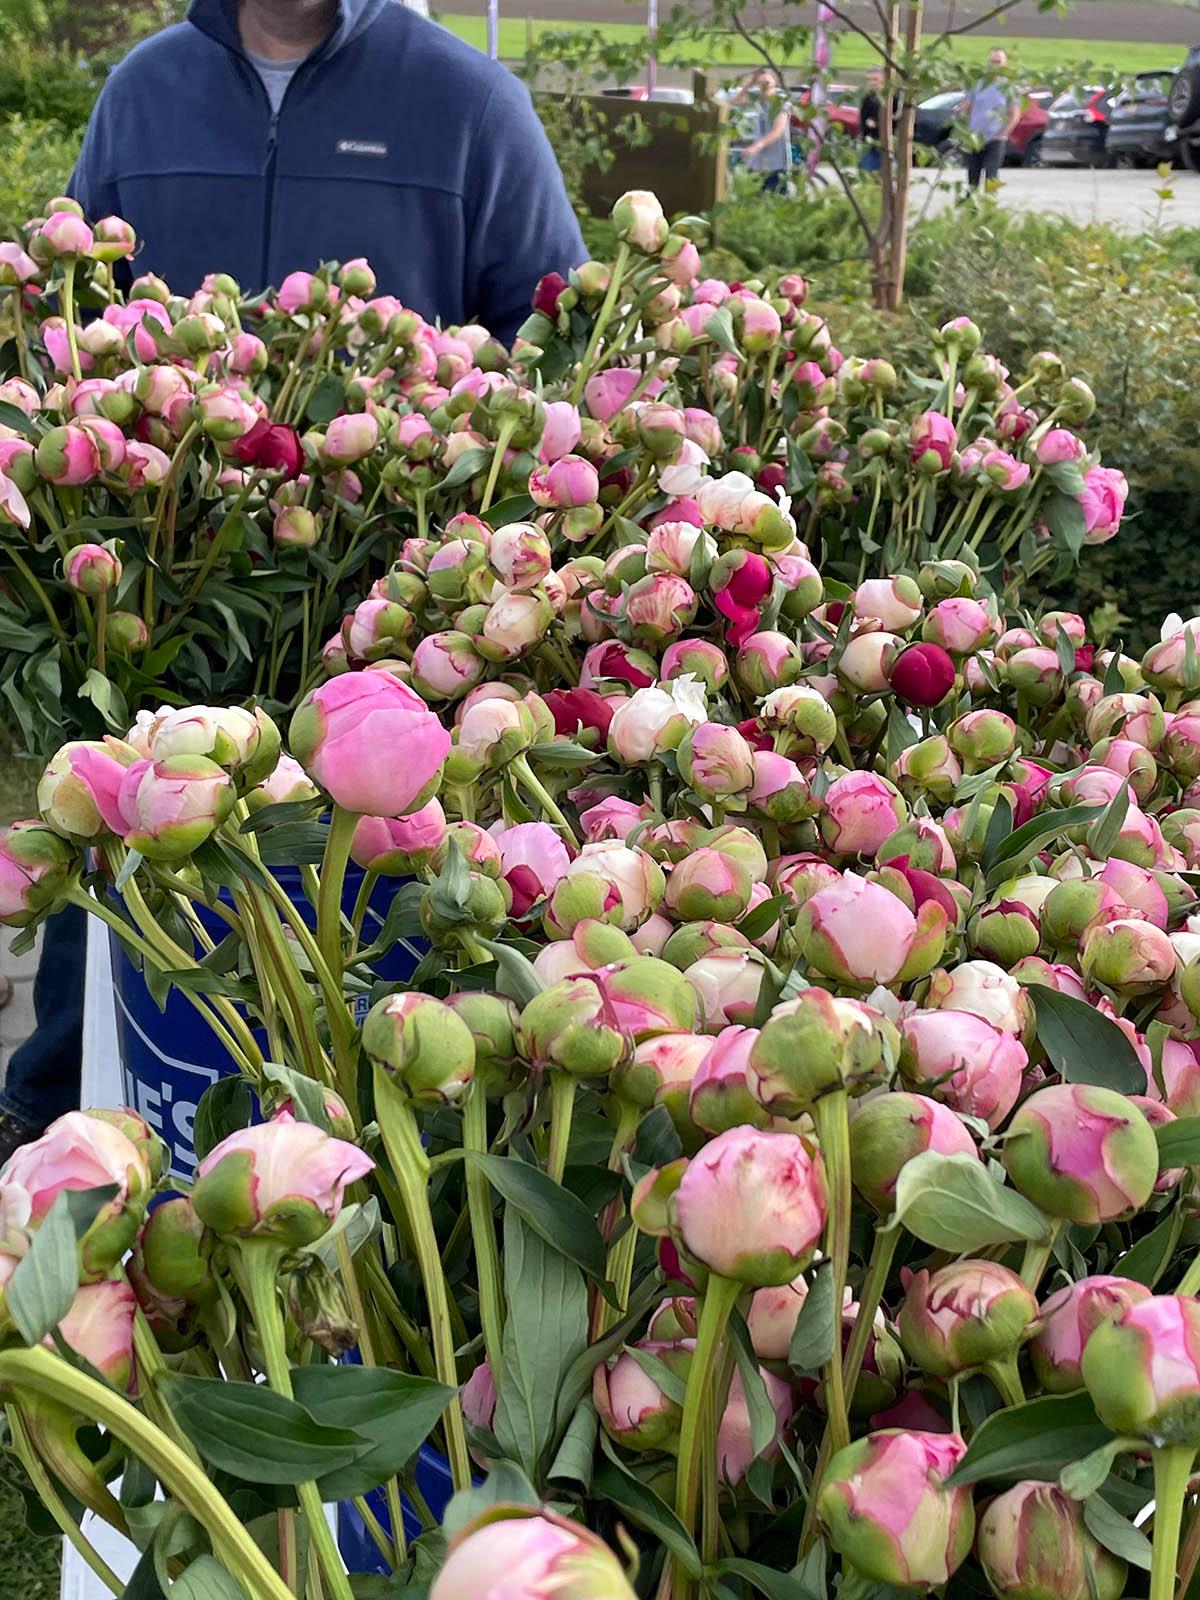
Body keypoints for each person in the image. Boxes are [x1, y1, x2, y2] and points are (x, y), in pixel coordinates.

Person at [0, 0, 586, 1166]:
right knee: (116, 843)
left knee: (339, 902)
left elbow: (557, 344)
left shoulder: (468, 102)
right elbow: (77, 321)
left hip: (362, 613)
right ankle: (59, 1097)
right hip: (166, 585)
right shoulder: (146, 88)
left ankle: (331, 1156)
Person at [69, 0, 585, 343]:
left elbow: (554, 326)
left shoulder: (472, 103)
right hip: (163, 498)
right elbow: (76, 307)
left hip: (389, 500)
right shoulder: (141, 93)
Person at [963, 47, 1020, 189]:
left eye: (998, 61)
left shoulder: (1009, 87)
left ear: (1004, 64)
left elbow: (1014, 115)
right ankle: (972, 209)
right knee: (973, 178)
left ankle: (989, 207)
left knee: (991, 177)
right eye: (992, 61)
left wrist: (1002, 135)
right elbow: (966, 108)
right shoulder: (978, 83)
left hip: (995, 140)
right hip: (975, 138)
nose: (994, 65)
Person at [736, 67, 792, 194]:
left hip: (776, 164)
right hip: (757, 163)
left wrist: (756, 146)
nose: (764, 85)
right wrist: (750, 83)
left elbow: (777, 131)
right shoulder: (758, 100)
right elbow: (737, 101)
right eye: (760, 82)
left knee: (776, 200)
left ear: (775, 82)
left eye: (767, 82)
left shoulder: (780, 102)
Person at [859, 66, 884, 172]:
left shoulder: (893, 98)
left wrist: (877, 124)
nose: (872, 83)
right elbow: (863, 120)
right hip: (872, 143)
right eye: (869, 80)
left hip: (888, 143)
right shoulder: (868, 99)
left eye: (875, 79)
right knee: (865, 170)